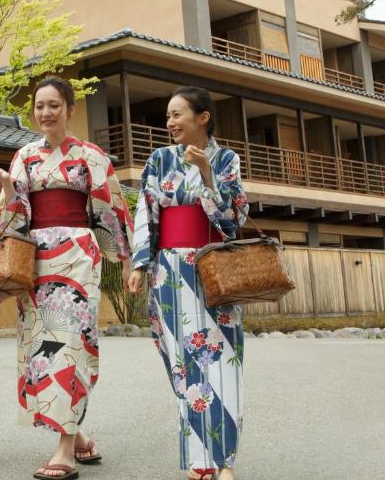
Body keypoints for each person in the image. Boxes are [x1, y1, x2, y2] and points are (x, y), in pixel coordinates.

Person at [0, 76, 133, 480]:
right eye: (39, 106)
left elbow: (110, 211)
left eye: (54, 105)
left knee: (70, 343)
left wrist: (124, 258)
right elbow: (16, 214)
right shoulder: (24, 156)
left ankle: (65, 449)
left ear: (70, 108)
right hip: (34, 259)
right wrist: (1, 187)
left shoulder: (92, 155)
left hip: (77, 257)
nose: (45, 113)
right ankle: (79, 436)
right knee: (41, 347)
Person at [126, 86, 250, 480]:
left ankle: (224, 462)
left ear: (203, 117)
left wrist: (207, 174)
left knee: (222, 366)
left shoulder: (226, 159)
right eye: (167, 116)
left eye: (178, 114)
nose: (170, 122)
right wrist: (139, 263)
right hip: (169, 273)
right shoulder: (159, 160)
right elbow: (146, 216)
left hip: (213, 269)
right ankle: (200, 461)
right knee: (183, 368)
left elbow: (234, 220)